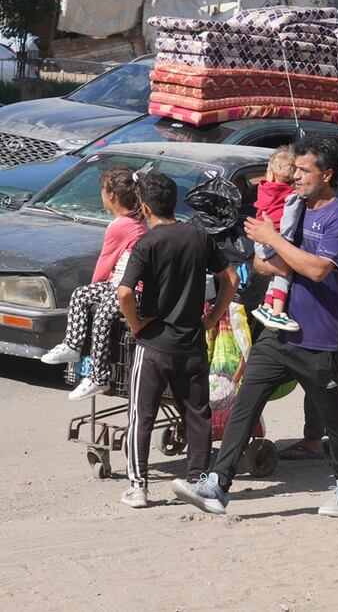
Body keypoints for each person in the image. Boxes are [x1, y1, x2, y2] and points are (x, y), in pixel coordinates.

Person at [172, 136, 338, 517]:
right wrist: (278, 251)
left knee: (333, 416)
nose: (296, 177)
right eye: (295, 170)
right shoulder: (293, 207)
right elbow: (261, 263)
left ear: (326, 175)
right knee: (245, 402)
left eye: (304, 170)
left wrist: (276, 243)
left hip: (321, 337)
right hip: (278, 331)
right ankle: (217, 484)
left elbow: (317, 270)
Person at [115, 171, 238, 509]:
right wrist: (212, 317)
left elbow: (124, 292)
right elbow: (230, 277)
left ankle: (138, 487)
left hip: (154, 345)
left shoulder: (147, 244)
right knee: (197, 414)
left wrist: (136, 325)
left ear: (144, 206)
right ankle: (197, 480)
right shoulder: (199, 236)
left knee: (142, 415)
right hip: (192, 343)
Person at [41, 166, 148, 399]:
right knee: (80, 294)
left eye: (102, 190)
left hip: (130, 289)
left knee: (101, 318)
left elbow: (106, 261)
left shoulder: (120, 226)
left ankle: (99, 377)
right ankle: (72, 345)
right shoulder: (134, 222)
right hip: (119, 284)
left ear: (111, 195)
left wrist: (96, 285)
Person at [251, 146, 302, 333]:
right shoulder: (292, 197)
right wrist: (284, 244)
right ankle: (278, 312)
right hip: (274, 237)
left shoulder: (263, 189)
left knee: (275, 273)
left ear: (271, 174)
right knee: (283, 273)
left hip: (259, 241)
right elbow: (289, 221)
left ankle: (267, 306)